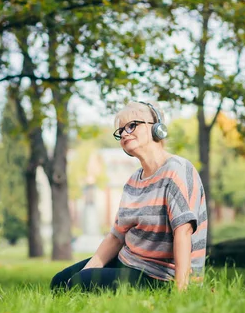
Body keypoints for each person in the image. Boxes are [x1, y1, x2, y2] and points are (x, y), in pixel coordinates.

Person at [50, 101, 207, 292]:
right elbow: (116, 237)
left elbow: (183, 233)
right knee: (60, 281)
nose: (124, 133)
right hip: (128, 262)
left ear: (157, 128)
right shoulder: (133, 181)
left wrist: (181, 291)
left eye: (132, 125)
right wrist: (86, 272)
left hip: (159, 275)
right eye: (121, 130)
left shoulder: (178, 170)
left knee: (81, 282)